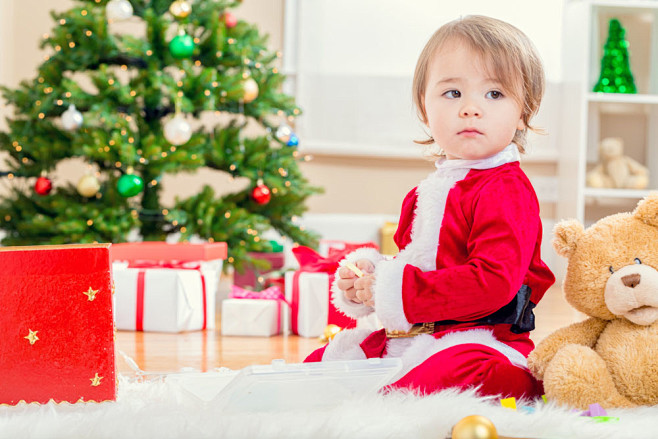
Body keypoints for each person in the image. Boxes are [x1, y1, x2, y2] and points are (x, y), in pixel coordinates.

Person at [304, 15, 555, 400]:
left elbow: (494, 282)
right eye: (452, 94)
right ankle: (368, 391)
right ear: (425, 108)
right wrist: (372, 280)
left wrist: (394, 288)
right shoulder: (428, 191)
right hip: (417, 334)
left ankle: (394, 397)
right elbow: (419, 265)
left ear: (523, 112)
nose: (470, 108)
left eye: (494, 94)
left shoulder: (506, 189)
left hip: (478, 338)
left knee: (465, 373)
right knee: (323, 363)